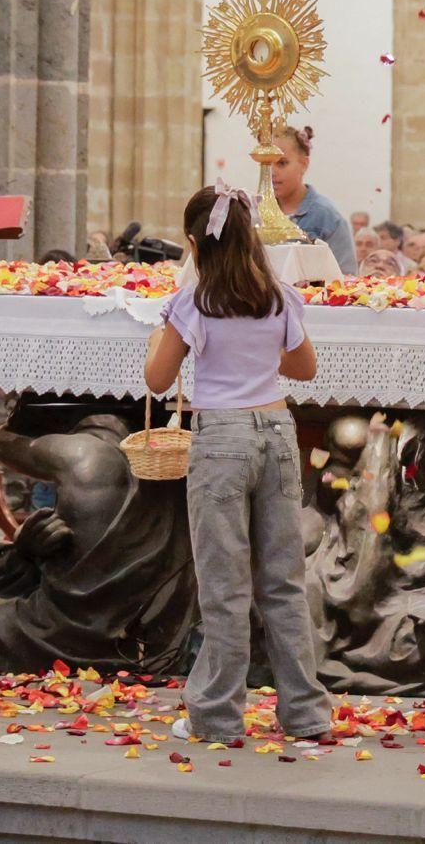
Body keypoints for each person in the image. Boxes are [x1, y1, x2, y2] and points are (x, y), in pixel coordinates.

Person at [145, 184, 333, 744]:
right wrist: (253, 351)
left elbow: (158, 380)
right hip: (276, 432)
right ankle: (305, 714)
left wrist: (166, 326)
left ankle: (218, 715)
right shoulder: (275, 296)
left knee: (225, 587)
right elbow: (304, 369)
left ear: (193, 244)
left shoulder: (193, 300)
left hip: (222, 438)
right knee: (283, 583)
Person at [269, 126, 356, 274]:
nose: (272, 171)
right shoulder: (258, 213)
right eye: (266, 163)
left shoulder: (327, 218)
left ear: (304, 164)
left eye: (282, 163)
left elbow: (345, 276)